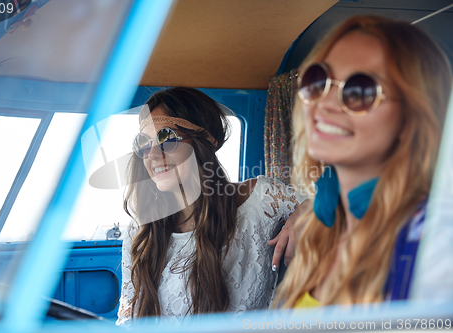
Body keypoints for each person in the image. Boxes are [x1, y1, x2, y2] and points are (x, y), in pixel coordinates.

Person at [272, 15, 452, 308]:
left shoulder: (437, 241)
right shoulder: (320, 228)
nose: (326, 103)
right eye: (318, 81)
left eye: (360, 91)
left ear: (412, 117)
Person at [117, 87, 307, 324]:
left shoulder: (262, 200)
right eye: (143, 143)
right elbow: (129, 317)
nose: (152, 154)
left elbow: (342, 206)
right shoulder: (140, 232)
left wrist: (307, 214)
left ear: (203, 143)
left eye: (167, 139)